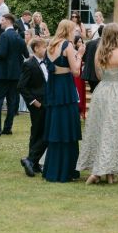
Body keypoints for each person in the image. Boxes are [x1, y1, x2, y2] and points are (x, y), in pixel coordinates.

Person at [77, 23, 118, 184]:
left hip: (101, 92)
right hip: (116, 93)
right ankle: (104, 171)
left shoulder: (99, 53)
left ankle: (108, 172)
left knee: (101, 129)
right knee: (113, 130)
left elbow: (99, 75)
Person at [43, 20, 84, 182]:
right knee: (67, 128)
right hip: (65, 90)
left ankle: (53, 168)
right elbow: (75, 72)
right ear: (68, 30)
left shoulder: (50, 46)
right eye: (74, 30)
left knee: (56, 128)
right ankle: (66, 170)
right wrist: (79, 55)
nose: (76, 33)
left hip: (53, 89)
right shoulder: (67, 46)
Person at [0, 13, 26, 136]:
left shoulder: (5, 35)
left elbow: (2, 54)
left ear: (9, 21)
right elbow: (25, 54)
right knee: (12, 101)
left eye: (3, 20)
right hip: (16, 74)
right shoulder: (19, 36)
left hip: (3, 73)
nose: (1, 22)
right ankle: (7, 128)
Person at [19, 37, 49, 177]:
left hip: (47, 102)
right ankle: (30, 160)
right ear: (36, 48)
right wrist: (33, 101)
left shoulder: (47, 63)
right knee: (41, 133)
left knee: (38, 133)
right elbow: (22, 86)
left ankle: (34, 163)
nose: (46, 49)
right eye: (44, 47)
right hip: (37, 104)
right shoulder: (29, 64)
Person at [81, 29, 101, 94]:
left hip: (90, 74)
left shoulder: (89, 43)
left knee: (94, 93)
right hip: (101, 74)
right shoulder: (107, 44)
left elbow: (84, 58)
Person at [73, 35, 87, 118]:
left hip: (81, 74)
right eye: (78, 41)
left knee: (81, 91)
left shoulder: (83, 51)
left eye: (81, 41)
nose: (80, 43)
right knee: (77, 90)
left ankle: (81, 112)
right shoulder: (73, 51)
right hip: (76, 74)